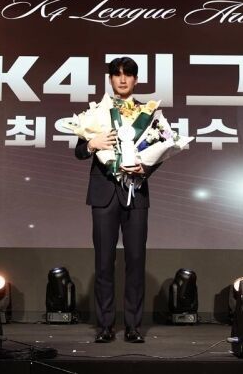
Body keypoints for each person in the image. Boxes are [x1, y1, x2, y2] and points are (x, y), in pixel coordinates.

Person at [75, 57, 161, 343]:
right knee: (103, 263)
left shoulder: (148, 112)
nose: (122, 80)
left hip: (136, 193)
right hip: (104, 195)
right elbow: (79, 151)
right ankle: (105, 326)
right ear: (110, 79)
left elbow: (162, 146)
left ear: (136, 80)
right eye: (117, 75)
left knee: (136, 261)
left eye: (128, 75)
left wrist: (145, 168)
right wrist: (92, 144)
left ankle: (134, 326)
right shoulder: (97, 112)